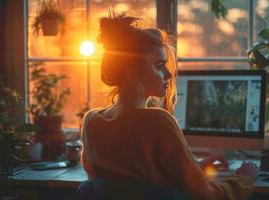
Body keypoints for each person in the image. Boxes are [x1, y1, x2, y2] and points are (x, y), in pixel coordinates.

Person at [80, 13, 258, 200]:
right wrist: (244, 178)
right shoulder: (157, 122)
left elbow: (124, 180)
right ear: (132, 71)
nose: (168, 74)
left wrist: (194, 167)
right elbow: (209, 195)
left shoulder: (92, 122)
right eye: (159, 66)